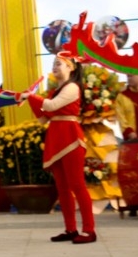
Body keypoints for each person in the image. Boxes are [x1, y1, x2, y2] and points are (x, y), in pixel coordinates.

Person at [22, 51, 96, 244]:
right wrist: (30, 100)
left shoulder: (72, 87)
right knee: (62, 189)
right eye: (53, 64)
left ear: (70, 67)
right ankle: (70, 229)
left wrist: (31, 97)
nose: (54, 67)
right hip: (57, 136)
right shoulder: (58, 90)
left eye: (59, 64)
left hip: (70, 137)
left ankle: (89, 230)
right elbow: (43, 118)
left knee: (77, 185)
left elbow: (52, 106)